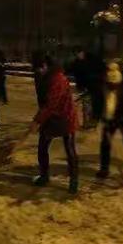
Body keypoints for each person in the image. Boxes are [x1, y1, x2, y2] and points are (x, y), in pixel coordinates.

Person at [30, 52, 79, 194]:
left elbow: (51, 103)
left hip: (65, 117)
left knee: (70, 149)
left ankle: (74, 181)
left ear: (45, 65)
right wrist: (41, 118)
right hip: (50, 118)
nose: (37, 72)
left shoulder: (58, 79)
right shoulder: (40, 76)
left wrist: (37, 120)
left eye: (39, 68)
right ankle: (44, 176)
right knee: (42, 147)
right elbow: (43, 101)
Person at [67, 48, 105, 129]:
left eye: (78, 53)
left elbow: (101, 71)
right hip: (85, 87)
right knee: (86, 105)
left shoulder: (93, 60)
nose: (77, 56)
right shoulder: (77, 63)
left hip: (94, 86)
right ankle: (88, 123)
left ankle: (91, 122)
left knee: (92, 105)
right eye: (75, 54)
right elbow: (71, 70)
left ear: (82, 52)